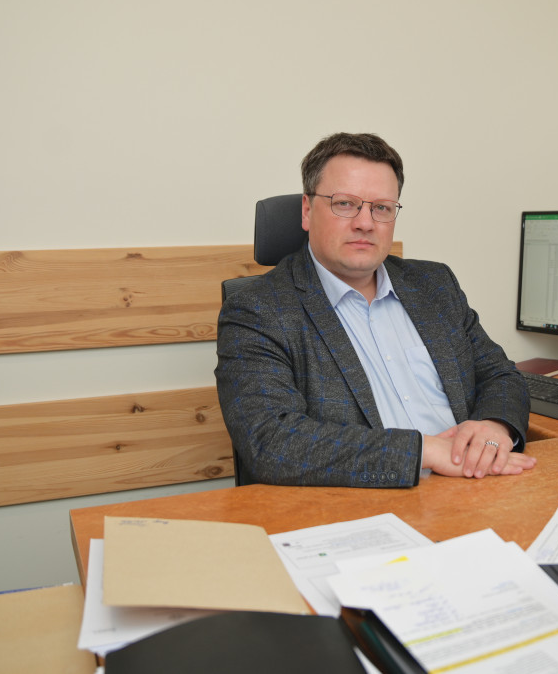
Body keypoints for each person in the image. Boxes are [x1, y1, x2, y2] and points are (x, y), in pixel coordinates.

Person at [215, 132, 535, 487]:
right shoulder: (258, 310)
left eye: (381, 208)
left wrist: (495, 426)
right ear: (307, 210)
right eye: (345, 204)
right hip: (366, 504)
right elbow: (271, 440)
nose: (365, 223)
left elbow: (500, 375)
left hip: (480, 484)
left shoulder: (435, 284)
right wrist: (424, 452)